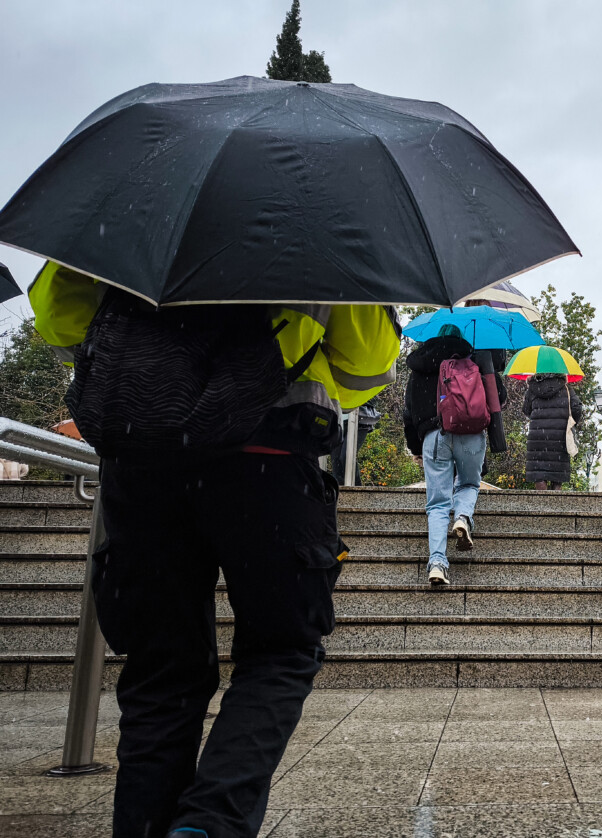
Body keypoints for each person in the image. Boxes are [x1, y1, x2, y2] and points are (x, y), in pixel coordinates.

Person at [28, 262, 402, 838]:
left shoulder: (137, 199)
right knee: (280, 650)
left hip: (145, 462)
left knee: (160, 674)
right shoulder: (320, 233)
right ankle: (211, 824)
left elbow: (59, 320)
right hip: (268, 457)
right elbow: (367, 363)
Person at [402, 324, 486, 585]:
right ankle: (462, 517)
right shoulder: (472, 362)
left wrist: (417, 446)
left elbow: (409, 412)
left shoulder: (419, 367)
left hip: (434, 435)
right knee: (470, 483)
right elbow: (498, 398)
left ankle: (437, 562)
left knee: (438, 503)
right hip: (470, 433)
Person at [522, 372, 583, 490]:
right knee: (557, 476)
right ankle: (556, 504)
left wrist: (538, 418)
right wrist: (568, 420)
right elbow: (577, 408)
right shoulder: (566, 388)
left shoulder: (533, 388)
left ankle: (541, 505)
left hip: (538, 437)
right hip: (559, 436)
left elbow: (526, 409)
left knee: (539, 475)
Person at [331, 396, 382, 486]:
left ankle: (357, 489)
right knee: (336, 461)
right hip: (339, 421)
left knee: (347, 456)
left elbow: (373, 398)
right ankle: (341, 493)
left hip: (359, 421)